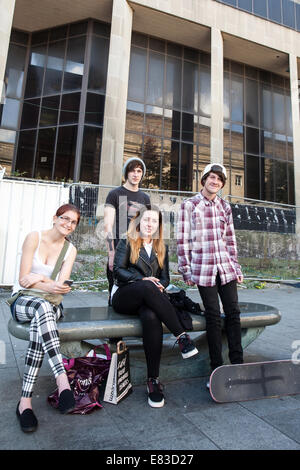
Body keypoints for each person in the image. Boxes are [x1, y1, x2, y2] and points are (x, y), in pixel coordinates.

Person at [111, 204, 199, 408]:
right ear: (139, 221)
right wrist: (145, 280)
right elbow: (118, 271)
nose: (150, 224)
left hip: (149, 300)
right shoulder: (128, 241)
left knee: (151, 317)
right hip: (125, 295)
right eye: (146, 220)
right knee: (147, 285)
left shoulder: (161, 247)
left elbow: (166, 278)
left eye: (154, 221)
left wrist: (160, 285)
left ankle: (153, 381)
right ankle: (182, 337)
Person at [9, 204, 80, 432]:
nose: (67, 224)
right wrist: (46, 280)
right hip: (24, 301)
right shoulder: (34, 238)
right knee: (42, 308)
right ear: (54, 218)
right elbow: (23, 280)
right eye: (64, 218)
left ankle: (25, 402)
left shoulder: (70, 250)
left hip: (50, 304)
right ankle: (62, 379)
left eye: (73, 222)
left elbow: (59, 289)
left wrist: (39, 279)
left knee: (44, 313)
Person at [177, 163, 243, 387]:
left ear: (222, 184)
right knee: (213, 315)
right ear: (204, 179)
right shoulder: (190, 205)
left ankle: (238, 364)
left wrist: (236, 267)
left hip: (225, 267)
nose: (215, 182)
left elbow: (231, 240)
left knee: (233, 312)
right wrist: (185, 268)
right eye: (211, 178)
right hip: (203, 268)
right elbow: (183, 239)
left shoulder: (225, 207)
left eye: (219, 179)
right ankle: (217, 369)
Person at [104, 157, 150, 303]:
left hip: (139, 250)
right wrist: (111, 253)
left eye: (139, 171)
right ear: (126, 173)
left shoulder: (145, 197)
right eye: (132, 171)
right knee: (115, 290)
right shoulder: (115, 194)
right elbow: (107, 226)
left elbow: (149, 225)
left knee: (138, 290)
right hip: (119, 249)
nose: (135, 174)